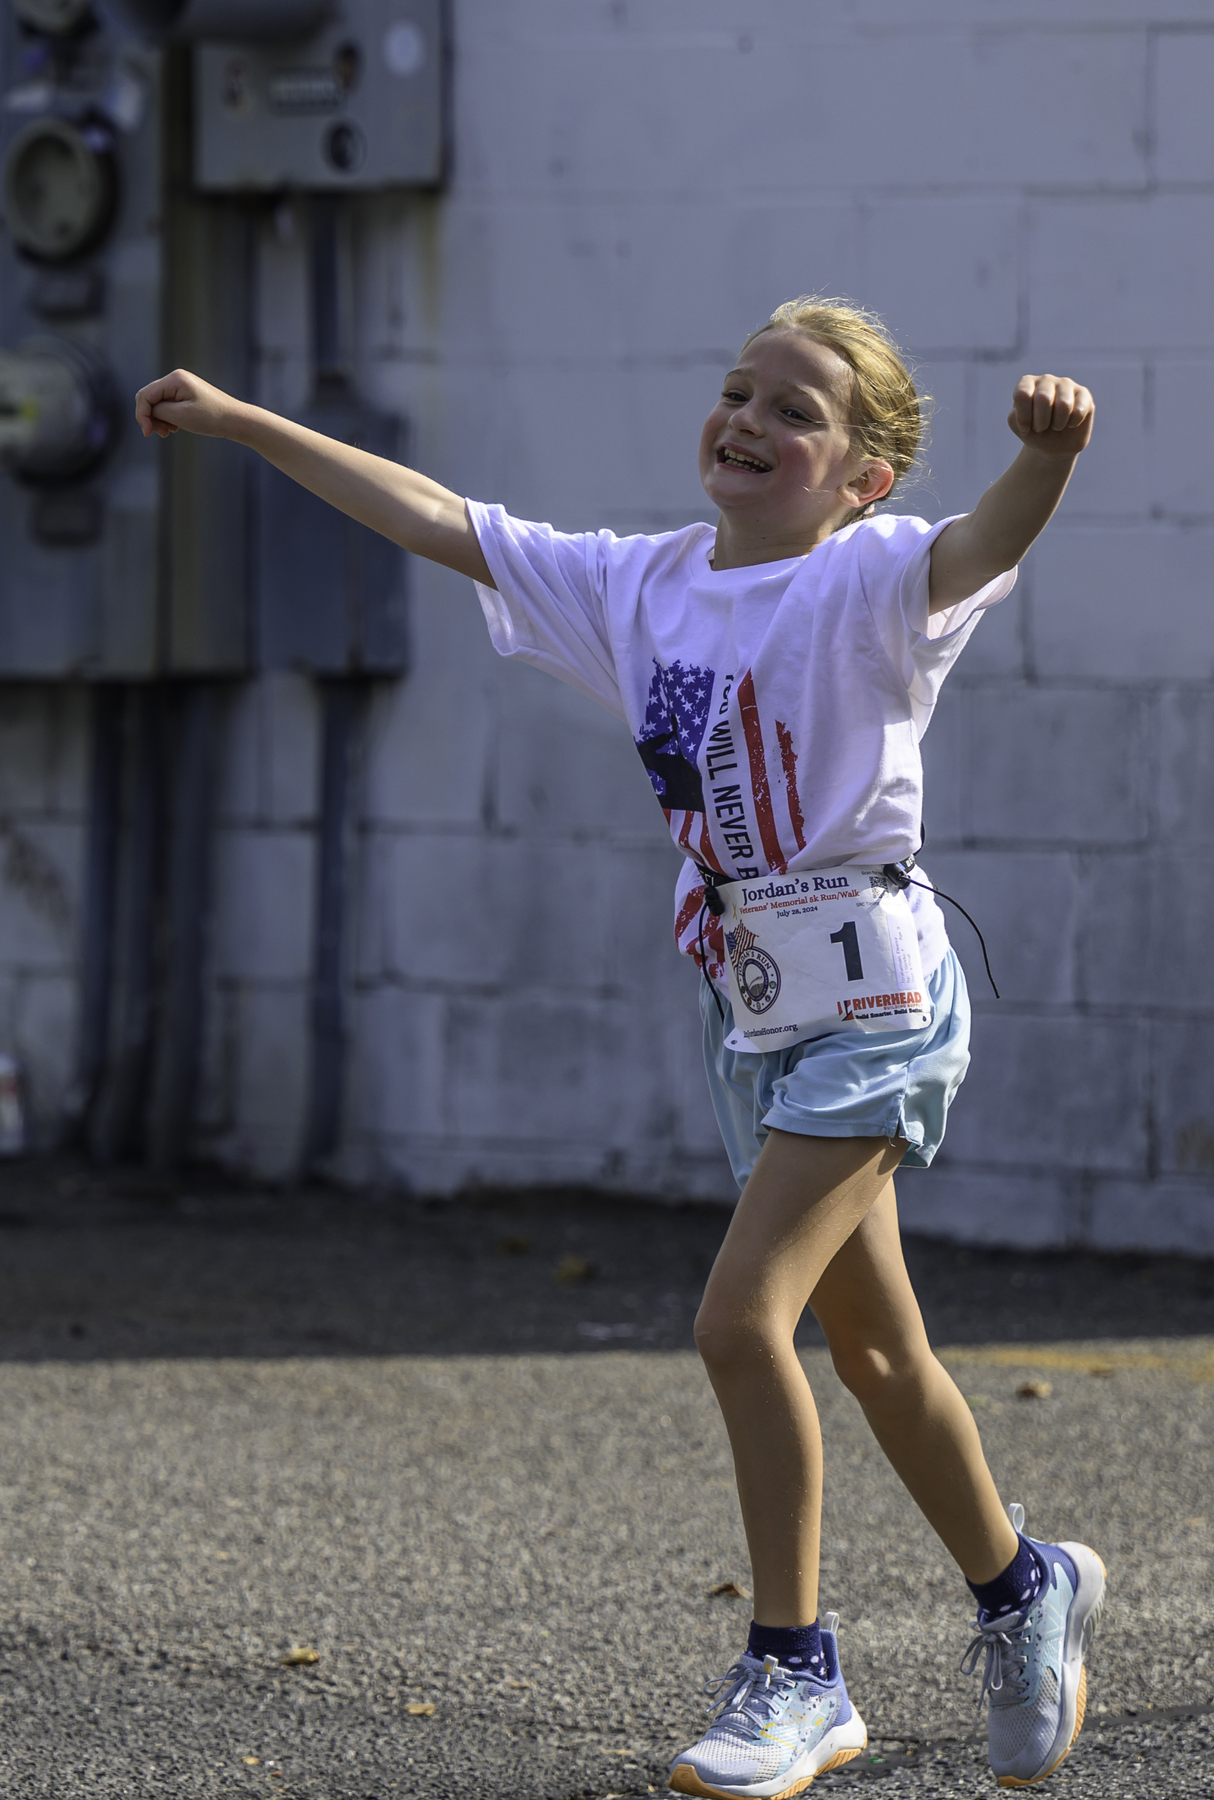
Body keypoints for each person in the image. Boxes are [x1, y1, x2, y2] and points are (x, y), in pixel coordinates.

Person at [135, 297, 1104, 1795]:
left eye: (797, 412)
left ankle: (798, 1673)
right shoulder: (640, 586)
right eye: (738, 391)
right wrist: (248, 423)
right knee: (877, 1351)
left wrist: (1047, 455)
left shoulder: (875, 579)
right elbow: (444, 522)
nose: (752, 421)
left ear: (863, 477)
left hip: (879, 999)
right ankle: (1022, 1587)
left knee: (737, 1324)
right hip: (753, 1004)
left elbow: (990, 539)